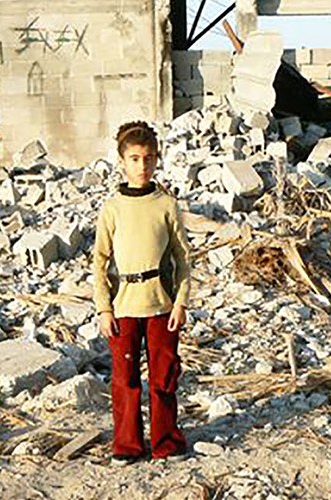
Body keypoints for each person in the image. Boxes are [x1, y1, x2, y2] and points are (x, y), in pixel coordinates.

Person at [92, 120, 191, 465]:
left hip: (162, 304)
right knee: (124, 379)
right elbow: (100, 260)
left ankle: (166, 442)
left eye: (148, 158)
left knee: (164, 376)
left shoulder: (166, 204)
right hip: (123, 307)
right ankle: (127, 445)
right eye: (134, 159)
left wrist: (181, 302)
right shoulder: (113, 207)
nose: (142, 166)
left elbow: (182, 258)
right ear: (122, 161)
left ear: (157, 159)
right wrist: (104, 308)